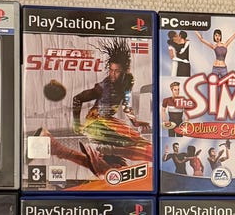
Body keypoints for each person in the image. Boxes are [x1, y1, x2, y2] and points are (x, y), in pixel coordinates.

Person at [37, 38, 152, 176]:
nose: (112, 75)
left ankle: (57, 147)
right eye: (111, 70)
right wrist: (76, 124)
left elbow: (126, 104)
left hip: (109, 122)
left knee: (111, 171)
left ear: (125, 70)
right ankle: (104, 149)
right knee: (146, 149)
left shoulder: (128, 80)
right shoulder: (103, 87)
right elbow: (77, 99)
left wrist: (135, 121)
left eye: (116, 71)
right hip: (97, 122)